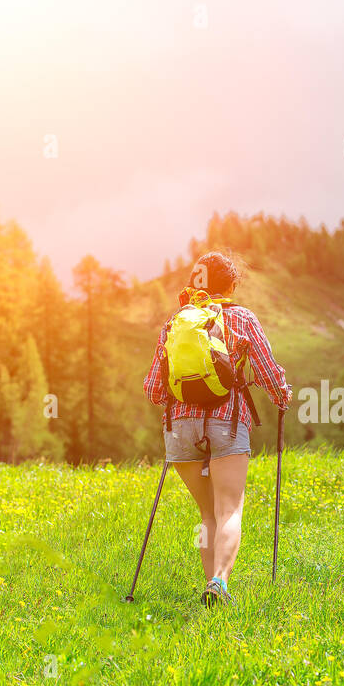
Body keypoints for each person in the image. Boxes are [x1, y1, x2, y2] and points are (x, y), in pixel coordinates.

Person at [143, 251, 291, 605]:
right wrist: (282, 397)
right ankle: (220, 583)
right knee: (229, 509)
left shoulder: (177, 321)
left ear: (197, 281)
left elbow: (152, 390)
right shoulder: (241, 318)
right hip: (227, 422)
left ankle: (210, 584)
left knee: (206, 513)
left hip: (179, 430)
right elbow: (269, 372)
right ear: (232, 284)